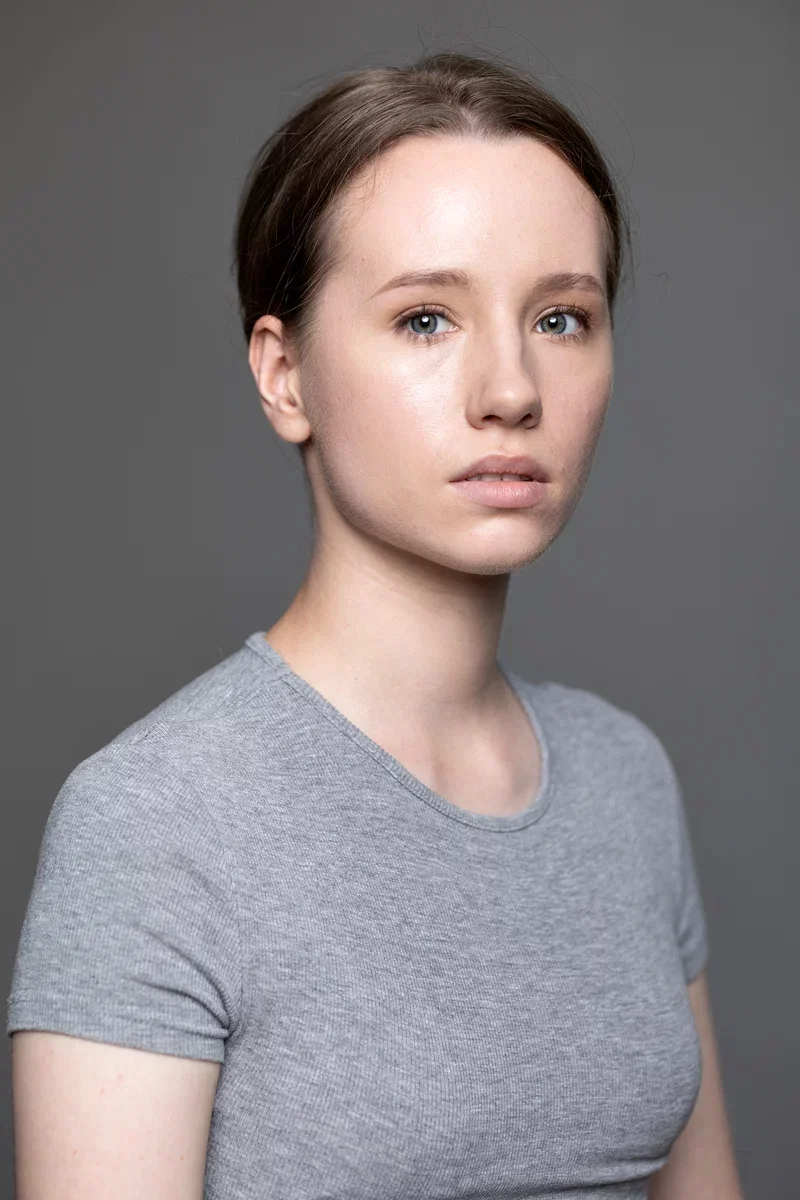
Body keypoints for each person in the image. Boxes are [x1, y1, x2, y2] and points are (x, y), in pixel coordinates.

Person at [7, 51, 744, 1199]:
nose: (510, 391)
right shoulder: (157, 823)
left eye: (559, 317)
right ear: (284, 375)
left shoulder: (623, 778)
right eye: (424, 319)